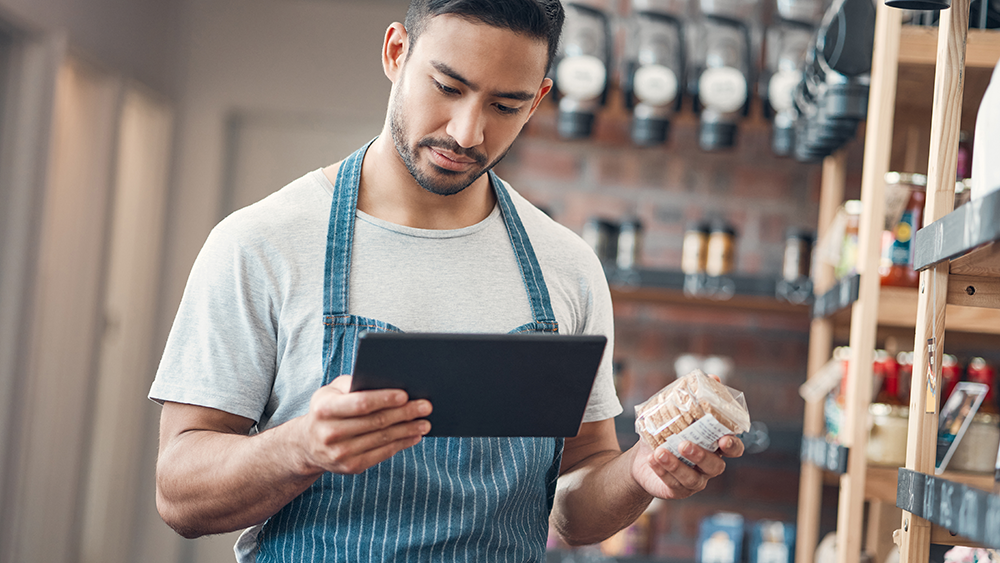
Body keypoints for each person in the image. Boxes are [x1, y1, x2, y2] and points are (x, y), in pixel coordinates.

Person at [150, 1, 744, 561]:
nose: (467, 133)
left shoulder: (567, 268)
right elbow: (179, 494)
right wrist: (300, 447)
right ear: (395, 52)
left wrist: (638, 474)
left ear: (537, 101)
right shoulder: (261, 243)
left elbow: (575, 505)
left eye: (504, 106)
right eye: (448, 88)